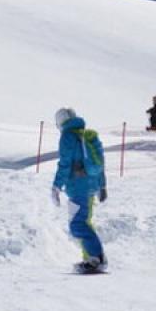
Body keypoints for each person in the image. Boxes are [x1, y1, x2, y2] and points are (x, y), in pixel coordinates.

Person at [51, 107, 108, 273]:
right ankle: (91, 258)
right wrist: (102, 185)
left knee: (77, 224)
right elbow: (100, 163)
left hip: (78, 187)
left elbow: (65, 164)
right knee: (84, 221)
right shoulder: (85, 135)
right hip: (90, 187)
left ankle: (97, 258)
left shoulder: (68, 136)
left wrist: (56, 186)